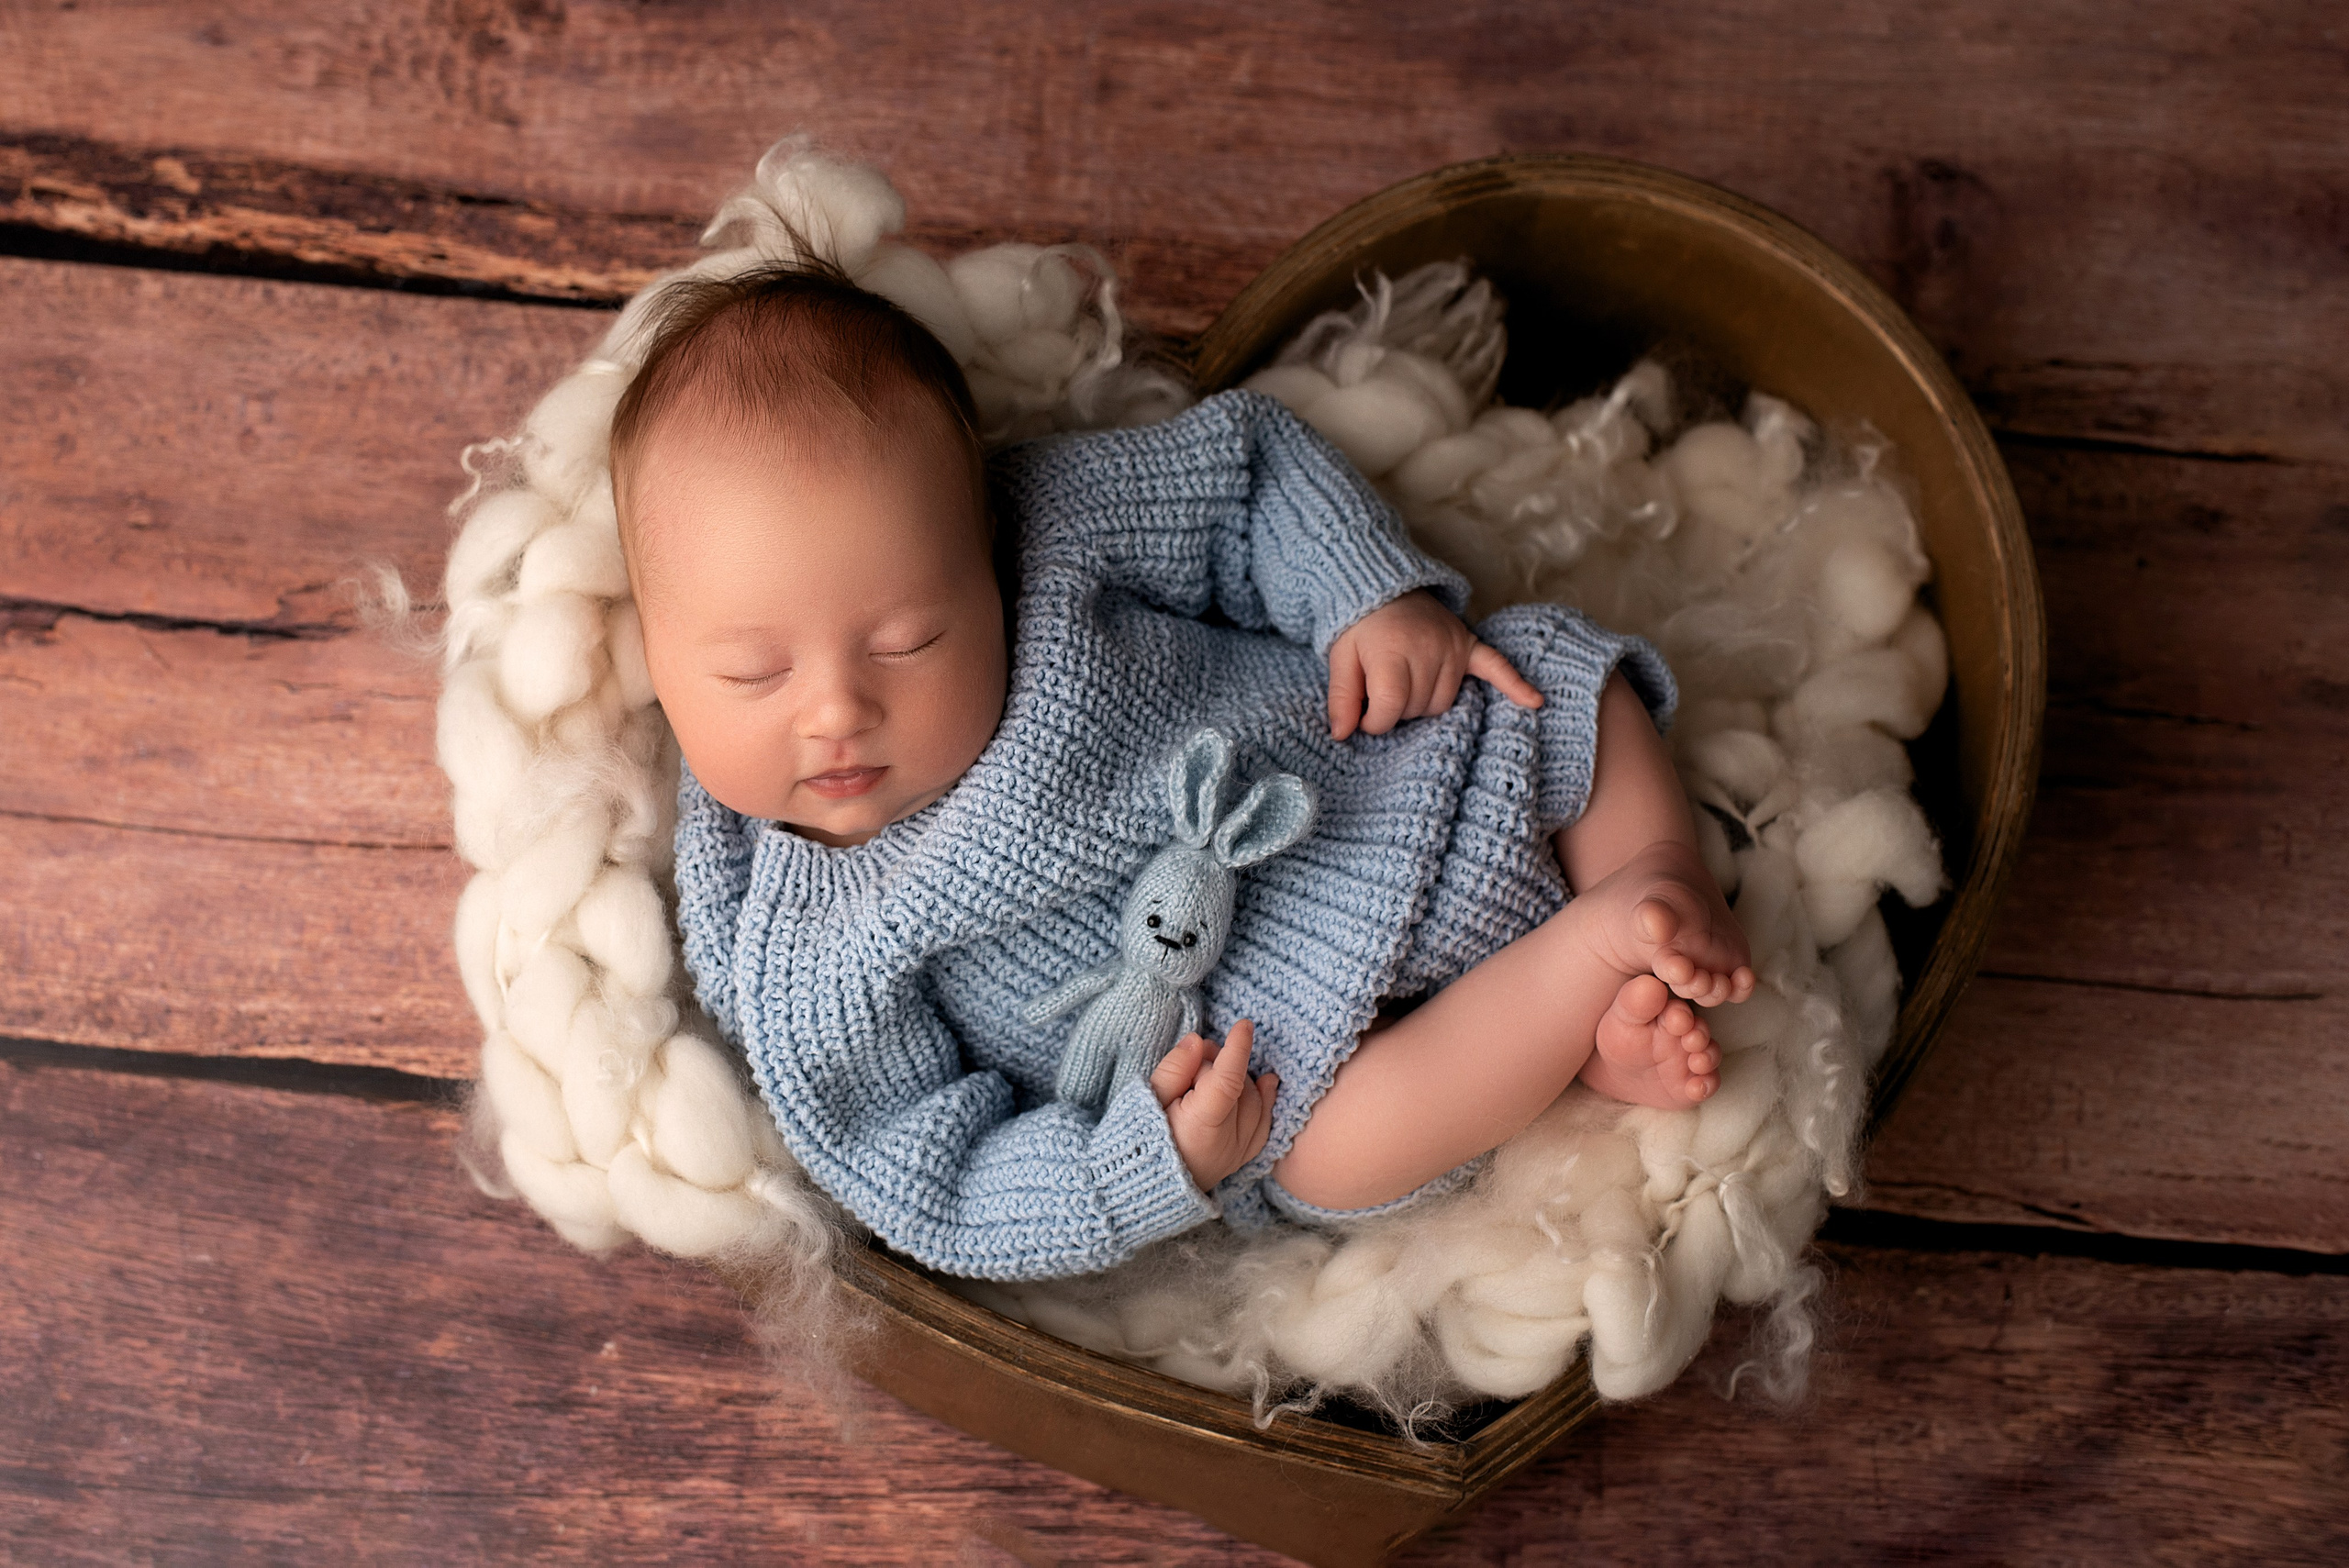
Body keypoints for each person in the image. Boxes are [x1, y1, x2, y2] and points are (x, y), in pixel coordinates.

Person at [621, 260, 1754, 1281]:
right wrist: (1145, 1157)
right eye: (752, 672)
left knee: (1553, 680)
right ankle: (1587, 979)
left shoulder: (1050, 529)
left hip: (1392, 778)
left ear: (975, 544)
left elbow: (1245, 475)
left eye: (911, 639)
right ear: (660, 661)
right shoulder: (800, 954)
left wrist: (1366, 593)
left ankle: (1654, 881)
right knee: (1336, 1154)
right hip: (1273, 1061)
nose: (837, 709)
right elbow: (936, 1179)